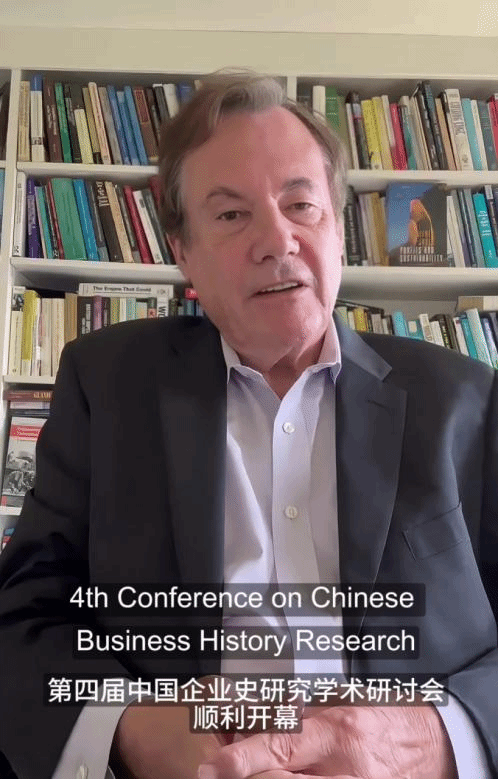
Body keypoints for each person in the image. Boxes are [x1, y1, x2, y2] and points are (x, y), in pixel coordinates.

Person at [0, 70, 497, 779]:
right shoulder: (106, 385)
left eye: (301, 204)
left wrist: (438, 738)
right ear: (183, 252)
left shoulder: (467, 399)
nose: (276, 240)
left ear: (338, 228)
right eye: (232, 215)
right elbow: (26, 613)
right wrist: (129, 726)